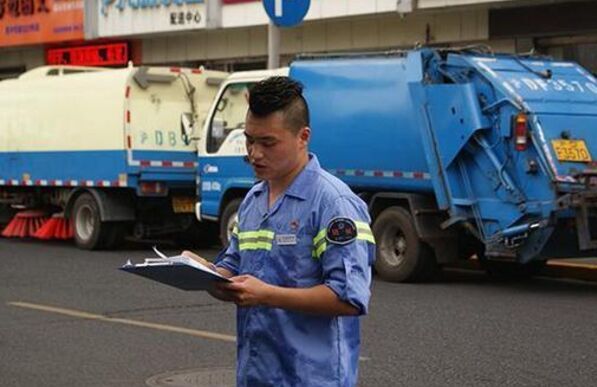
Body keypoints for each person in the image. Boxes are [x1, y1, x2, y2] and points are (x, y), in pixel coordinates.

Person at [183, 76, 375, 387]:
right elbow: (233, 268)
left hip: (313, 378)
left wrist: (267, 295)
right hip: (256, 374)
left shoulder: (334, 203)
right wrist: (205, 273)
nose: (254, 153)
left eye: (268, 142)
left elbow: (350, 298)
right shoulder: (253, 201)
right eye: (249, 140)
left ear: (303, 136)